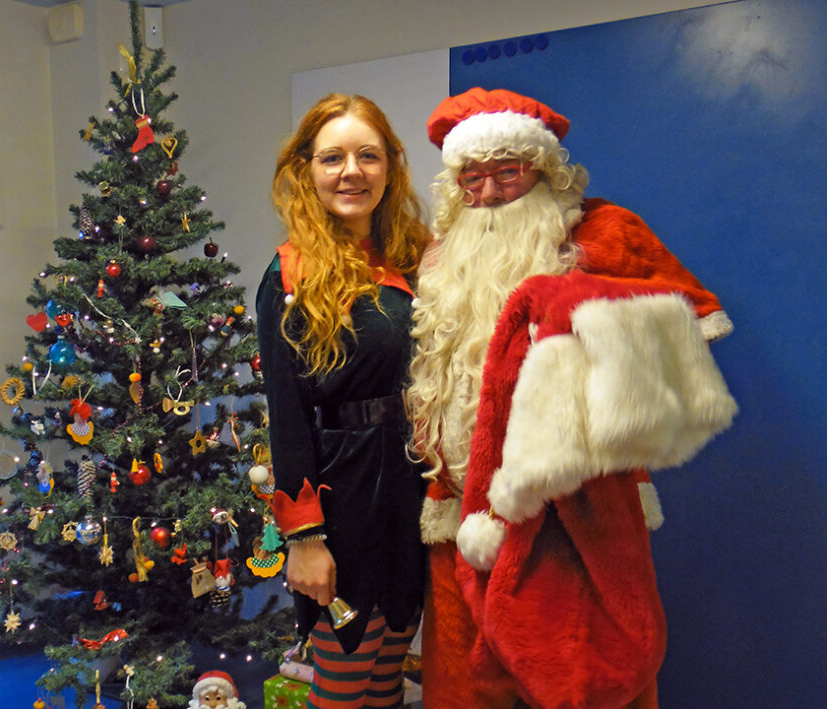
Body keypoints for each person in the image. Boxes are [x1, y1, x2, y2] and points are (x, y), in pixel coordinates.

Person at [405, 87, 738, 708]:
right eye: (472, 178)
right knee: (464, 684)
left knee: (585, 678)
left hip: (575, 515)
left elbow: (690, 326)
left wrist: (577, 312)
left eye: (508, 172)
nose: (489, 193)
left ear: (542, 169)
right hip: (458, 511)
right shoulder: (441, 254)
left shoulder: (605, 232)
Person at [256, 93, 431, 709]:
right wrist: (305, 539)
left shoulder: (414, 258)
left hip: (412, 489)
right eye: (333, 157)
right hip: (342, 496)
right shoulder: (289, 273)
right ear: (307, 169)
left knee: (388, 675)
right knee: (346, 676)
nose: (351, 171)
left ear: (390, 166)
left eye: (368, 156)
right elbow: (287, 416)